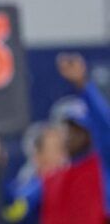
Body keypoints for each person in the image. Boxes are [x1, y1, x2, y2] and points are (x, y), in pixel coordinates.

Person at [36, 53, 110, 224]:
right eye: (68, 129)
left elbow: (104, 126)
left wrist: (83, 85)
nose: (70, 135)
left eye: (78, 130)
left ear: (90, 133)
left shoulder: (102, 164)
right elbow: (16, 207)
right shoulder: (54, 176)